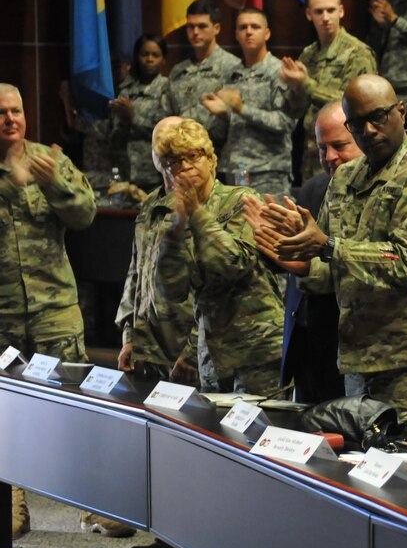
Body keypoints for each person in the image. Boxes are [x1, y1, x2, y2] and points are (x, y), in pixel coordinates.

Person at [253, 75, 407, 425]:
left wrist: (328, 247)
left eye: (379, 117)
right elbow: (333, 269)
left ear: (401, 112)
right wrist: (304, 266)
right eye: (356, 123)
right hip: (358, 358)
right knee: (361, 469)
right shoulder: (344, 179)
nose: (368, 130)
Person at [1, 83, 96, 541]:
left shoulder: (50, 161)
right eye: (1, 113)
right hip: (2, 316)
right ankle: (11, 505)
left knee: (73, 414)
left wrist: (52, 181)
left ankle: (96, 505)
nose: (10, 120)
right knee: (5, 417)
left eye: (16, 111)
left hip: (55, 310)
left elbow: (85, 215)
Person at [154, 119, 284, 395]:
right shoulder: (175, 217)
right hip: (212, 358)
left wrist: (197, 216)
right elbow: (171, 290)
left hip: (257, 353)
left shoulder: (240, 199)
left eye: (193, 155)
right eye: (175, 160)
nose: (186, 165)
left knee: (257, 435)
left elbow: (234, 264)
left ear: (211, 160)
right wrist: (176, 230)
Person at [269, 100, 360, 403]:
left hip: (348, 344)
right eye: (322, 148)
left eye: (339, 145)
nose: (330, 157)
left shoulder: (378, 193)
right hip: (306, 340)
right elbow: (294, 260)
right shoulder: (312, 189)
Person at [116, 116, 197, 382]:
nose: (167, 150)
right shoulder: (150, 205)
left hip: (187, 350)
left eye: (173, 141)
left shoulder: (203, 204)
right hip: (149, 352)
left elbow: (218, 290)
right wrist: (130, 336)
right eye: (159, 145)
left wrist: (194, 351)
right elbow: (135, 274)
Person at [282, 0, 377, 182]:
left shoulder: (358, 53)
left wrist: (307, 85)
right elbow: (293, 111)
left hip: (347, 155)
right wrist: (294, 87)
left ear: (341, 11)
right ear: (309, 14)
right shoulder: (308, 54)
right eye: (319, 11)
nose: (325, 17)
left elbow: (358, 108)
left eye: (331, 10)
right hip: (313, 154)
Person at [199, 7, 293, 197]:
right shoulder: (231, 73)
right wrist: (223, 115)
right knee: (234, 226)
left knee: (268, 225)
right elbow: (224, 130)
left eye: (255, 27)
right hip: (233, 169)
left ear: (267, 33)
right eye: (243, 27)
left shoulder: (280, 72)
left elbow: (285, 122)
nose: (249, 31)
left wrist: (241, 108)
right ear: (236, 34)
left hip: (268, 171)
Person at [161, 0, 242, 156]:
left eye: (202, 26)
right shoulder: (178, 71)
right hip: (182, 155)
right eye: (191, 26)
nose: (195, 32)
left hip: (220, 155)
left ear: (216, 28)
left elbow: (243, 116)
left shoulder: (234, 67)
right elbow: (166, 114)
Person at [114, 34, 170, 191]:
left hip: (154, 172)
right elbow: (114, 134)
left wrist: (133, 117)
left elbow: (166, 131)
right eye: (144, 54)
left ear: (163, 59)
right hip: (124, 170)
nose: (150, 59)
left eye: (155, 55)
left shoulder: (167, 88)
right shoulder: (125, 90)